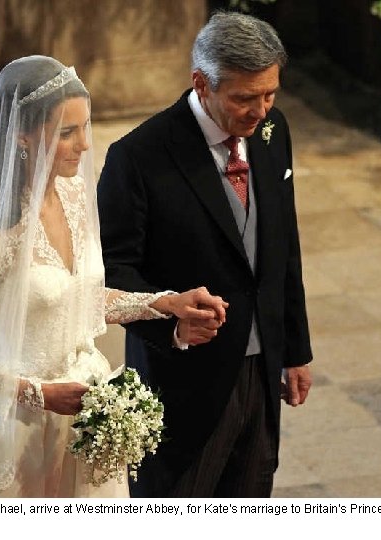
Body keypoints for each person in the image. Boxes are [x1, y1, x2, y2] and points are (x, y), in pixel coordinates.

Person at [0, 55, 227, 498]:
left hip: (80, 414)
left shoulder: (73, 196)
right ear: (23, 138)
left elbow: (79, 299)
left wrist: (162, 302)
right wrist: (37, 393)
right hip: (12, 426)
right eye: (67, 133)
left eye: (85, 128)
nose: (83, 145)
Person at [97, 12, 313, 497]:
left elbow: (284, 245)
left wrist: (295, 349)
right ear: (201, 83)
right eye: (243, 98)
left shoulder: (273, 131)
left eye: (270, 93)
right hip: (182, 385)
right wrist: (169, 320)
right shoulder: (137, 157)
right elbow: (113, 271)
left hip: (262, 373)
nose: (260, 111)